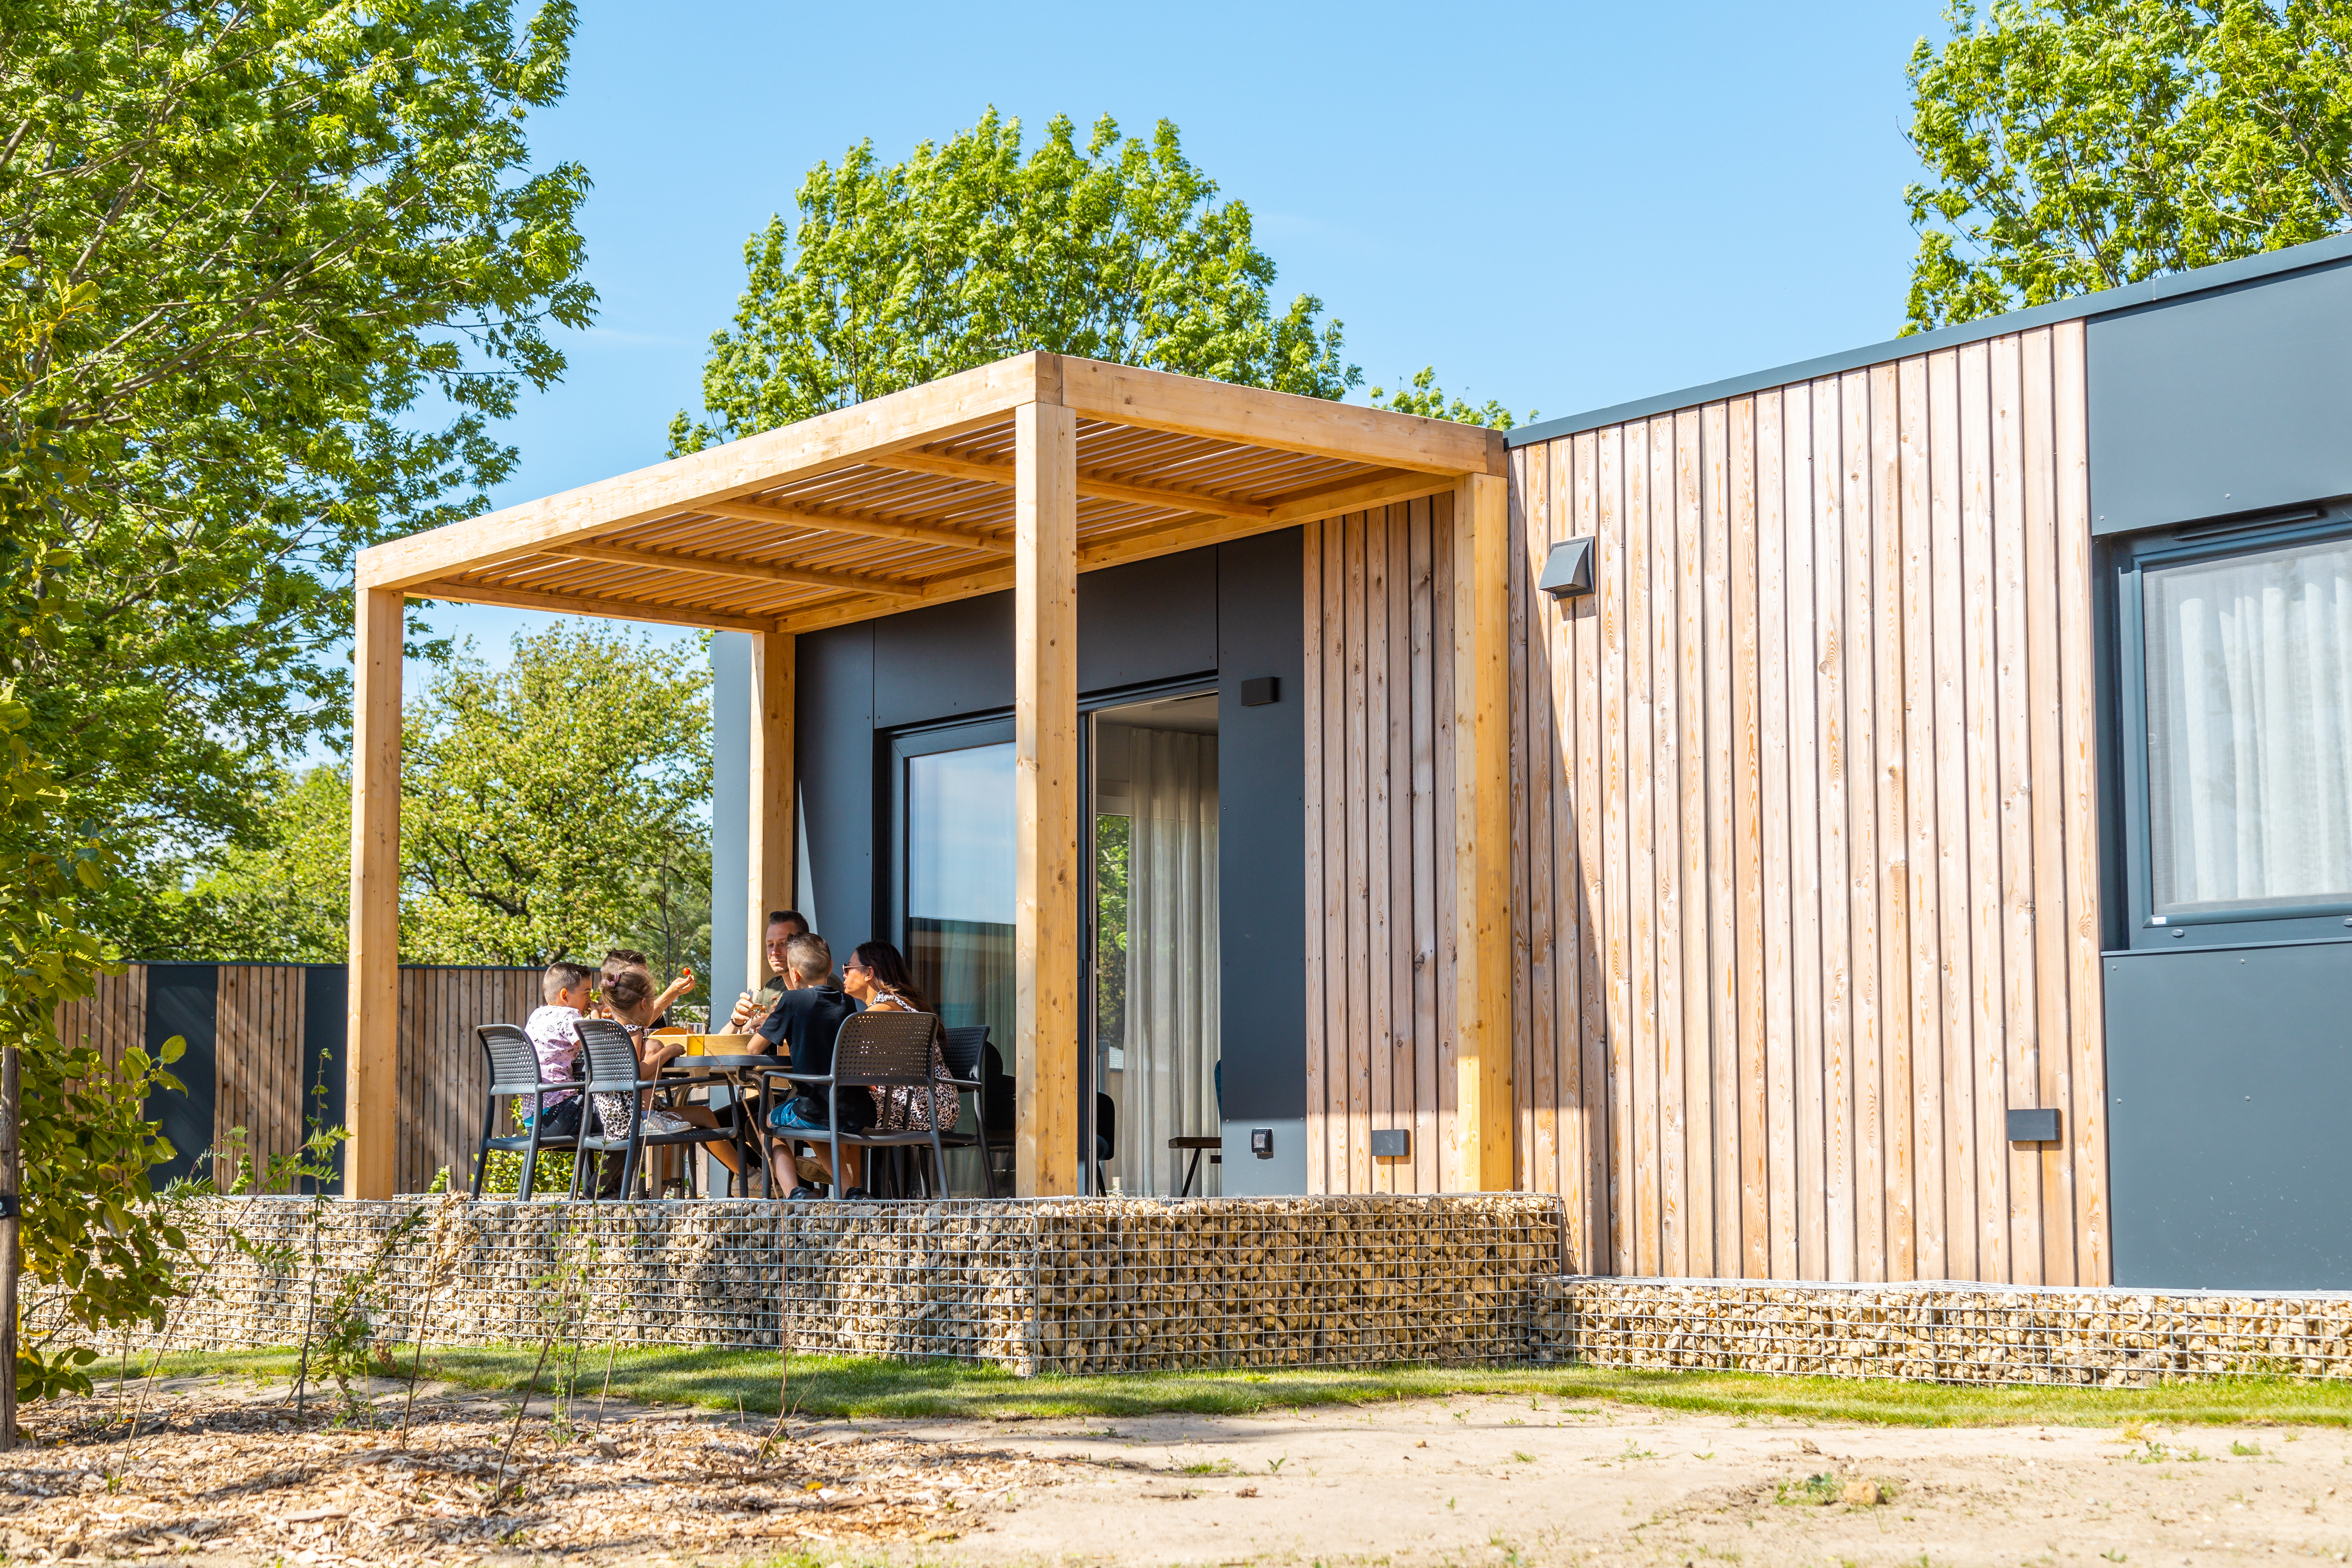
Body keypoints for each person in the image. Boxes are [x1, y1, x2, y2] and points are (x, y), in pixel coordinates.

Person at [595, 962, 742, 1186]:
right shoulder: (632, 1031)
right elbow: (634, 1075)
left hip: (617, 1117)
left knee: (703, 1114)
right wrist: (666, 1053)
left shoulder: (609, 1030)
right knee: (692, 1120)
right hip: (632, 1120)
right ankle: (748, 1176)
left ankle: (746, 1175)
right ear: (645, 1004)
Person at [756, 933, 861, 1197]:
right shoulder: (847, 1002)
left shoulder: (791, 1001)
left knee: (767, 1124)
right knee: (815, 1125)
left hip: (814, 1106)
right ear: (831, 966)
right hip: (852, 1110)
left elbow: (753, 1048)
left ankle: (795, 1193)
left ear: (795, 974)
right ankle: (850, 1190)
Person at [841, 942, 959, 1135]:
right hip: (932, 1103)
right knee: (835, 1108)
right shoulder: (897, 1005)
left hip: (920, 1107)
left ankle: (830, 1166)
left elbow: (845, 1049)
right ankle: (835, 1166)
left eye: (848, 968)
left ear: (869, 973)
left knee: (827, 1111)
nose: (845, 974)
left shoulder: (886, 1008)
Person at [520, 960, 597, 1139]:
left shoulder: (539, 1014)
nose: (590, 1000)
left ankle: (591, 1169)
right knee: (627, 1123)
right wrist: (597, 1015)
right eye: (586, 993)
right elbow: (597, 1049)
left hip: (535, 1121)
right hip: (561, 1114)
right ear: (565, 996)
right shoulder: (569, 1015)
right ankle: (599, 1169)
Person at [726, 910, 809, 1033]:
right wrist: (736, 1021)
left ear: (804, 945)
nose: (775, 951)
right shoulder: (772, 988)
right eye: (770, 945)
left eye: (784, 943)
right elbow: (726, 1039)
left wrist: (775, 1023)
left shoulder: (820, 982)